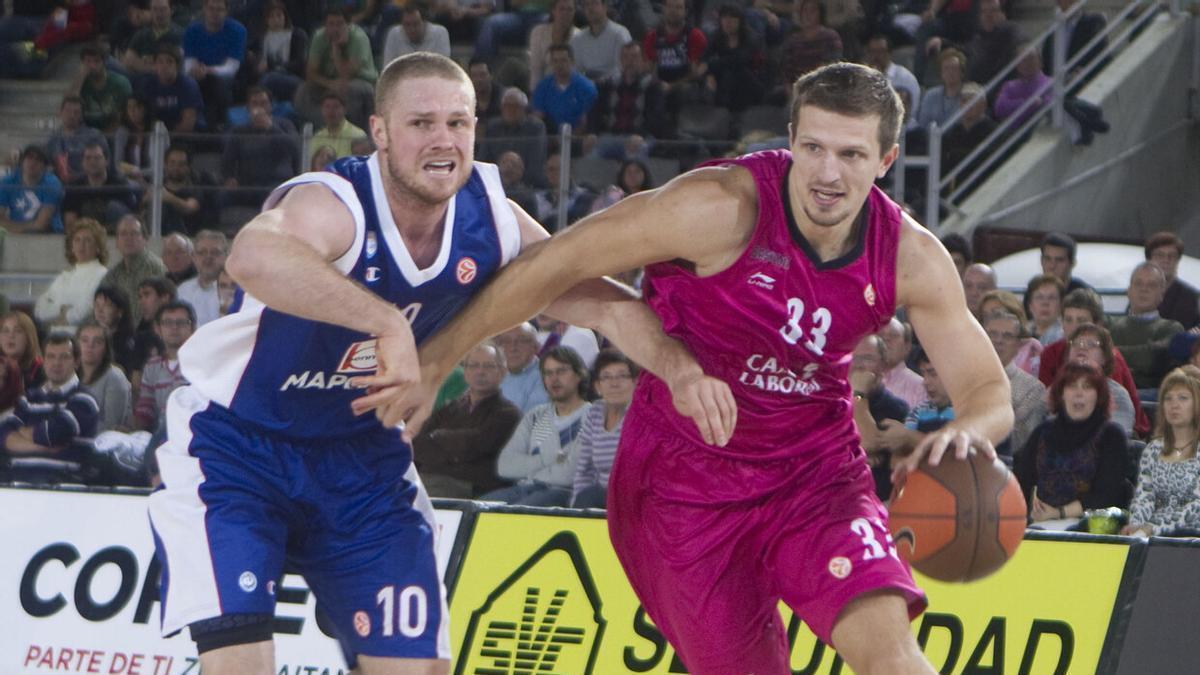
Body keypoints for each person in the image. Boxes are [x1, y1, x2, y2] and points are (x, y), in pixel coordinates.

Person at [403, 62, 1012, 672]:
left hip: (817, 475)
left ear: (885, 160)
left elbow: (989, 390)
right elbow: (552, 263)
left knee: (894, 657)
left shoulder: (909, 256)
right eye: (813, 148)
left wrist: (966, 432)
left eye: (851, 155)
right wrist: (437, 360)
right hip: (682, 482)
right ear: (791, 139)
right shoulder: (716, 207)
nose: (828, 174)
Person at [147, 52, 724, 674]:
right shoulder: (337, 200)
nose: (443, 140)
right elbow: (252, 256)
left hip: (364, 462)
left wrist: (679, 367)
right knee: (239, 664)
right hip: (238, 448)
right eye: (421, 123)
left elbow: (601, 301)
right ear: (379, 132)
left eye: (458, 122)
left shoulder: (491, 219)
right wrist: (386, 321)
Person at [1015, 362, 1132, 525]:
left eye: (1087, 387)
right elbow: (1022, 483)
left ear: (1099, 396)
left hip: (1091, 524)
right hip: (1040, 521)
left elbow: (1107, 495)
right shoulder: (1042, 432)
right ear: (1061, 393)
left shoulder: (1112, 435)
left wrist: (1058, 513)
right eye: (1071, 386)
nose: (1079, 394)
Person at [484, 346, 593, 506]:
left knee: (518, 512)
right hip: (525, 488)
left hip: (563, 492)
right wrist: (549, 459)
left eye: (561, 371)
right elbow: (505, 465)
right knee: (479, 507)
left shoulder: (592, 416)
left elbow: (568, 475)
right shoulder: (536, 415)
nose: (554, 379)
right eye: (548, 373)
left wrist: (529, 467)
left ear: (579, 375)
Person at [410, 342, 521, 498]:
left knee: (413, 497)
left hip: (473, 486)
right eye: (473, 365)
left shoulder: (508, 413)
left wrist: (438, 436)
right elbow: (418, 443)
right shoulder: (452, 408)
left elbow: (476, 446)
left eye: (488, 366)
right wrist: (455, 447)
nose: (480, 372)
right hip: (432, 478)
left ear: (503, 372)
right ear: (465, 371)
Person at [0, 333, 100, 485]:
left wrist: (22, 432)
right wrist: (44, 449)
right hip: (15, 480)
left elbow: (53, 433)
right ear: (44, 361)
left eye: (64, 357)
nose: (56, 363)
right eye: (51, 356)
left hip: (59, 482)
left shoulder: (84, 399)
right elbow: (4, 437)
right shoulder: (29, 398)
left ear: (76, 362)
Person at [1123, 368, 1200, 537]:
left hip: (1193, 537)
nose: (1174, 405)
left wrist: (1152, 528)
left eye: (1183, 398)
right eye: (1168, 398)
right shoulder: (1153, 449)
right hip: (1152, 536)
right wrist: (1136, 525)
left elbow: (1196, 506)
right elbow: (1144, 496)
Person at [572, 349, 637, 507]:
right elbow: (584, 468)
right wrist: (575, 507)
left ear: (635, 382)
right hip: (599, 496)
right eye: (606, 377)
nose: (614, 384)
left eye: (622, 376)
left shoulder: (640, 415)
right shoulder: (595, 412)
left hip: (632, 496)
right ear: (597, 386)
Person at [1110, 262, 1185, 394]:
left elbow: (1152, 360)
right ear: (1128, 291)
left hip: (1151, 396)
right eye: (1138, 283)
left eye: (1152, 285)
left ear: (1162, 294)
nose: (1144, 289)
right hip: (1112, 392)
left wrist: (1112, 353)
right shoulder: (1110, 324)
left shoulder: (1172, 328)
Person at [984, 309, 1047, 460]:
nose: (998, 340)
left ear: (1018, 346)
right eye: (992, 334)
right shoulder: (964, 379)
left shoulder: (1032, 389)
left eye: (1007, 336)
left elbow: (1019, 441)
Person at [35, 218, 109, 330]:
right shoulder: (64, 277)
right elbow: (40, 310)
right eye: (77, 240)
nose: (81, 245)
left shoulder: (102, 274)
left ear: (98, 247)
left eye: (88, 240)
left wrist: (58, 313)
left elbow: (85, 312)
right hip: (55, 335)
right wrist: (62, 309)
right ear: (72, 247)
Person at [182, 0, 246, 131]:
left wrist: (208, 70)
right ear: (204, 9)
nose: (215, 13)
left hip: (226, 78)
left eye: (219, 9)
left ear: (226, 11)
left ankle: (217, 126)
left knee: (215, 84)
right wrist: (196, 71)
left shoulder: (238, 30)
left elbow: (232, 67)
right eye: (211, 8)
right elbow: (189, 63)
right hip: (199, 74)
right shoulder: (191, 30)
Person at [1066, 322, 1137, 437]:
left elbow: (1116, 437)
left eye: (1091, 344)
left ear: (1105, 357)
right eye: (1076, 343)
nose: (1081, 347)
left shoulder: (1117, 395)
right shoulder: (1057, 389)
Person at [132, 301, 193, 432]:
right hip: (159, 434)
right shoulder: (152, 366)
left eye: (181, 322)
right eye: (168, 323)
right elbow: (145, 408)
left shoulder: (201, 363)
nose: (174, 327)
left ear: (192, 329)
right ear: (158, 329)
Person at [101, 215, 168, 324]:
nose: (128, 238)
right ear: (116, 242)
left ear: (145, 239)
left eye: (134, 233)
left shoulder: (155, 268)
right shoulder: (113, 274)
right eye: (123, 234)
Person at [62, 141, 140, 229]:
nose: (92, 162)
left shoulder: (119, 185)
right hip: (87, 232)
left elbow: (133, 216)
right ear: (82, 162)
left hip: (115, 233)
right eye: (88, 158)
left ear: (106, 161)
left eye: (97, 158)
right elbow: (70, 223)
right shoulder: (75, 187)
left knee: (113, 207)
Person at [77, 320, 132, 432]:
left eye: (97, 342)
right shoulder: (69, 374)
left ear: (106, 348)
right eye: (84, 340)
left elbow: (111, 425)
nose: (90, 346)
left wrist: (73, 428)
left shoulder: (114, 377)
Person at [531, 44, 599, 132]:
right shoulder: (542, 87)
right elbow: (537, 118)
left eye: (563, 60)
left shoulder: (586, 88)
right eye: (555, 61)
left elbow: (586, 123)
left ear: (572, 61)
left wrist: (567, 138)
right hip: (549, 136)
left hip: (578, 136)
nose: (559, 65)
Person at [0, 145, 65, 234]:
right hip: (13, 234)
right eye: (29, 157)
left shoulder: (52, 183)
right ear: (22, 161)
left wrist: (12, 228)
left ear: (45, 166)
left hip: (48, 234)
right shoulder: (7, 181)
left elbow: (41, 224)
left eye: (38, 159)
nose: (33, 162)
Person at [1145, 231, 1200, 329]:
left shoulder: (1192, 298)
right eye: (1160, 255)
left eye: (1172, 256)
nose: (1166, 260)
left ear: (1178, 260)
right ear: (1149, 259)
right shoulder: (1140, 292)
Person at [73, 42, 132, 133]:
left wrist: (101, 136)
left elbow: (126, 117)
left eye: (96, 61)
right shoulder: (80, 82)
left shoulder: (120, 83)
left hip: (113, 131)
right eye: (88, 62)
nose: (92, 66)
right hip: (85, 131)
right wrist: (80, 78)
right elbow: (69, 106)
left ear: (104, 62)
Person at [571, 0, 633, 84]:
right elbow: (575, 70)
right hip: (586, 87)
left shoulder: (619, 34)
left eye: (594, 3)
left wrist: (602, 81)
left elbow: (623, 69)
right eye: (586, 5)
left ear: (605, 7)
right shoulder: (578, 38)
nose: (590, 8)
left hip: (613, 87)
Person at [176, 230, 228, 326]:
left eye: (215, 252)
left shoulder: (233, 291)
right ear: (193, 257)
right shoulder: (182, 290)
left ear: (226, 257)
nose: (208, 257)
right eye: (202, 252)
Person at [496, 322, 551, 413]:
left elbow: (531, 418)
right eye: (507, 341)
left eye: (521, 341)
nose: (513, 348)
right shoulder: (497, 375)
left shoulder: (545, 378)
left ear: (536, 347)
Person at [527, 0, 579, 92]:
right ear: (553, 10)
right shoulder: (538, 32)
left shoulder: (579, 37)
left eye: (569, 10)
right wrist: (536, 93)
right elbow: (536, 69)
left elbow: (576, 71)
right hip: (543, 85)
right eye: (561, 9)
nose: (565, 13)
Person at [877, 316, 926, 408]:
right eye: (880, 336)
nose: (886, 339)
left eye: (894, 335)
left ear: (907, 347)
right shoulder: (854, 381)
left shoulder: (922, 388)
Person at [382, 4, 450, 64]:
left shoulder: (440, 33)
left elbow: (443, 67)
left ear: (425, 22)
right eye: (407, 24)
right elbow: (388, 67)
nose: (412, 29)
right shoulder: (394, 34)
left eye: (416, 24)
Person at [310, 92, 368, 162]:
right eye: (327, 107)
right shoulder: (317, 137)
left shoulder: (358, 135)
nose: (331, 111)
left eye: (336, 107)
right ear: (321, 110)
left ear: (345, 110)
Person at [1, 312, 46, 391]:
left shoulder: (41, 370)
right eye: (5, 331)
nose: (11, 336)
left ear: (29, 337)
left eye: (18, 331)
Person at [1026, 273, 1065, 346]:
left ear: (1061, 305)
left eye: (1052, 298)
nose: (1045, 303)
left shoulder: (1064, 337)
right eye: (1039, 297)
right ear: (1030, 305)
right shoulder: (1020, 333)